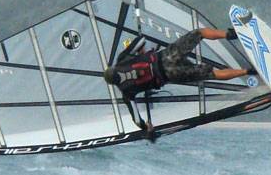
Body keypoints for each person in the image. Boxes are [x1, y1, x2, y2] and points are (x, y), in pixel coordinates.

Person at [101, 26, 256, 142]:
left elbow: (136, 120)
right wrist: (140, 52)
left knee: (212, 74)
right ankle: (230, 34)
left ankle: (248, 71)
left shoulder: (126, 92)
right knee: (199, 33)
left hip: (169, 75)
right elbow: (141, 41)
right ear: (113, 69)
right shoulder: (122, 59)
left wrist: (146, 128)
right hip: (166, 57)